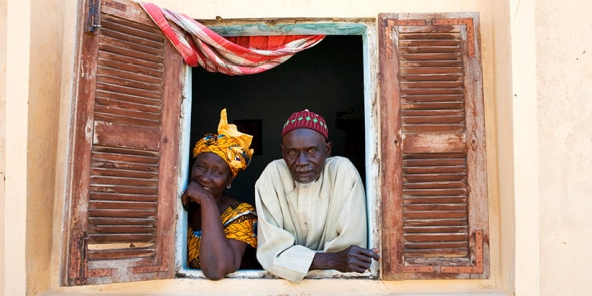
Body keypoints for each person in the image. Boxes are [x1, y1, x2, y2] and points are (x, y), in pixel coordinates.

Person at [255, 109, 379, 283]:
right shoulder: (273, 175)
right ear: (282, 152)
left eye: (312, 151)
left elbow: (351, 253)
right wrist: (332, 259)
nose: (302, 162)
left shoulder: (342, 172)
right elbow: (272, 255)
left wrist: (294, 262)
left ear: (327, 150)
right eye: (292, 153)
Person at [182, 108, 258, 280]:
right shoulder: (178, 202)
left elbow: (216, 270)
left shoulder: (241, 214)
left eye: (217, 172)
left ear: (229, 180)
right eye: (201, 167)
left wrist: (206, 200)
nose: (206, 177)